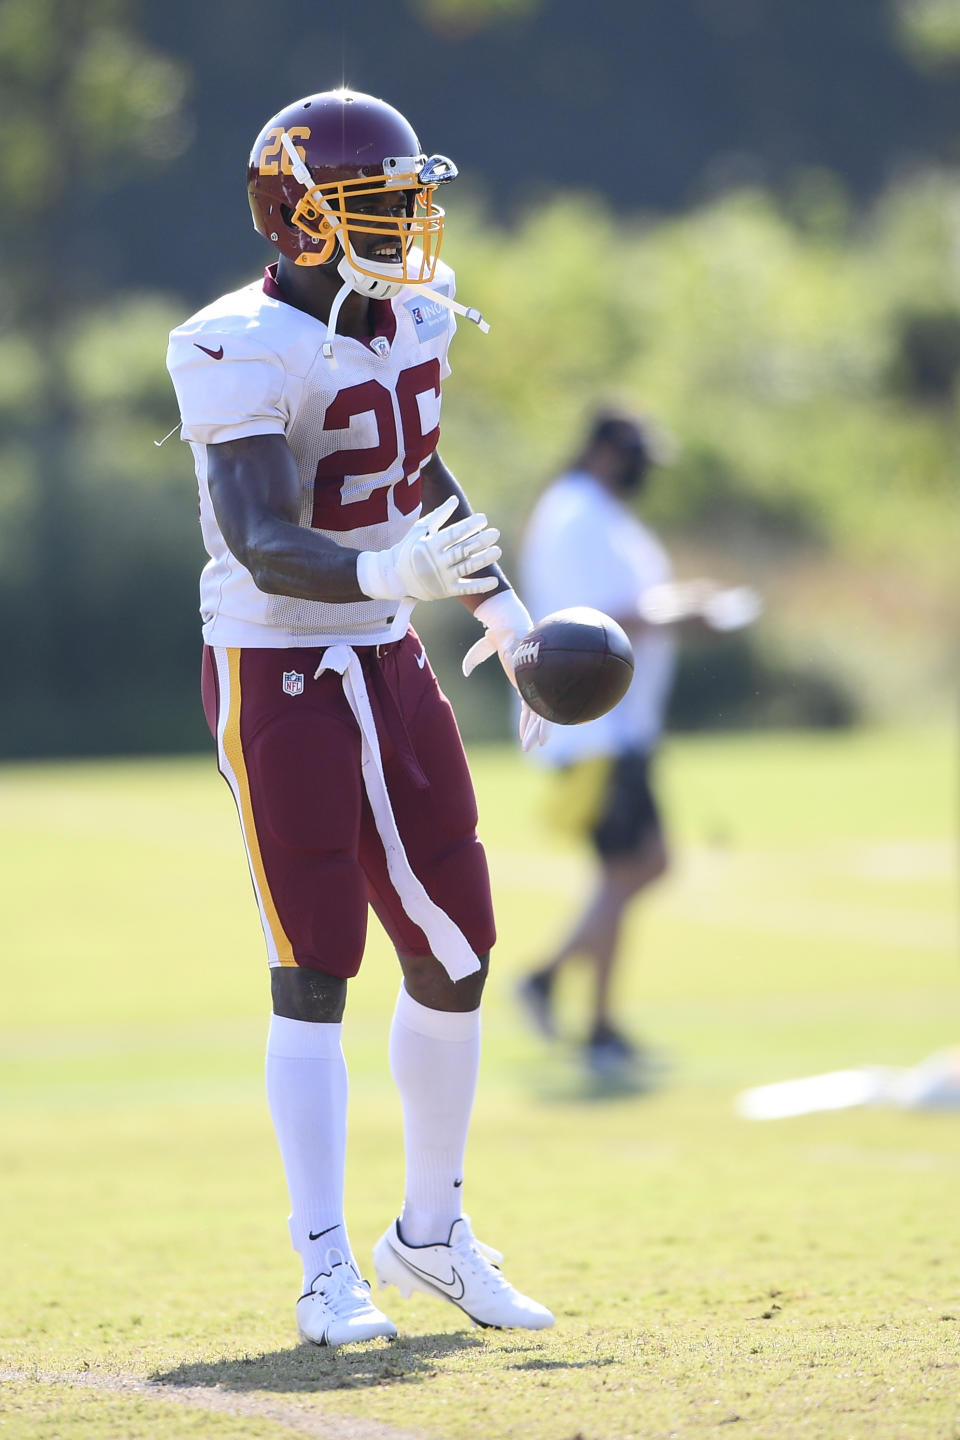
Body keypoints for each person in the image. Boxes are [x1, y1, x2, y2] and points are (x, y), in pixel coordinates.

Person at [166, 88, 553, 1349]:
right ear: (299, 217)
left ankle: (430, 1236)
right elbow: (266, 536)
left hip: (385, 653)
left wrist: (503, 608)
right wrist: (393, 574)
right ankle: (325, 1264)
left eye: (411, 199)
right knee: (317, 958)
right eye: (380, 204)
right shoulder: (234, 342)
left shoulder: (413, 315)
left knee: (458, 944)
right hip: (275, 662)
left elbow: (413, 465)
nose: (411, 224)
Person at [516, 409, 759, 1082]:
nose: (640, 469)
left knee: (626, 870)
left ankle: (596, 1024)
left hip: (616, 725)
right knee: (639, 866)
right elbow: (594, 620)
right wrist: (690, 612)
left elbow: (631, 601)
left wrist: (682, 602)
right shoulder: (577, 514)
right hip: (597, 726)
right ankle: (549, 983)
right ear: (601, 450)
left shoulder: (595, 511)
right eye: (632, 454)